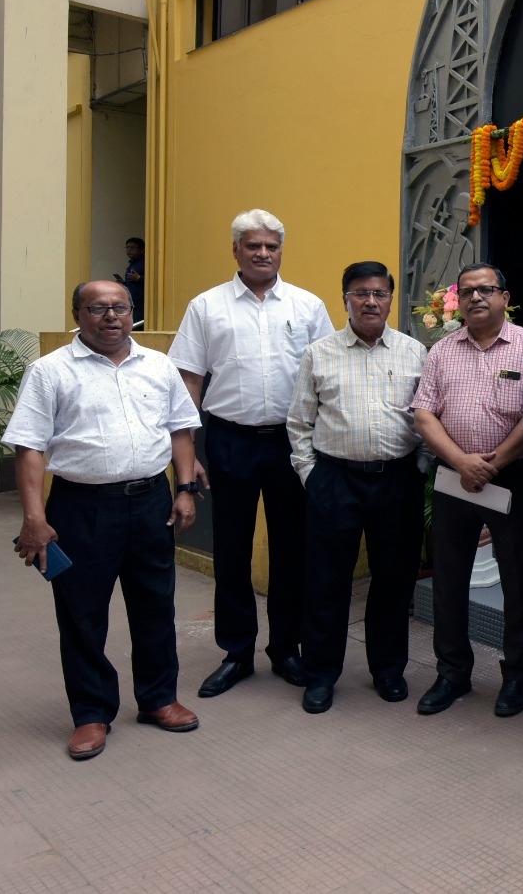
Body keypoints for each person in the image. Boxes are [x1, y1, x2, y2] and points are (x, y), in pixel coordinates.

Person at [5, 281, 205, 760]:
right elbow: (29, 447)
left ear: (132, 312)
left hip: (151, 502)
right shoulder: (49, 371)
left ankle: (158, 698)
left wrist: (185, 489)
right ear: (78, 313)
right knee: (82, 613)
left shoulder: (158, 366)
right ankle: (91, 712)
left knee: (155, 605)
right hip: (82, 507)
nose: (111, 316)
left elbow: (180, 429)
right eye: (98, 308)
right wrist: (34, 518)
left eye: (120, 307)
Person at [169, 209, 334, 698]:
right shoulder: (206, 306)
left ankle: (285, 648)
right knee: (232, 550)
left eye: (271, 246)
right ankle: (237, 652)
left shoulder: (307, 305)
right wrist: (188, 452)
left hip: (292, 443)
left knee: (291, 550)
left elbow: (328, 375)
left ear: (281, 251)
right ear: (236, 250)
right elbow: (188, 382)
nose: (263, 253)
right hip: (229, 441)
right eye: (253, 245)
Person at [286, 261, 427, 713]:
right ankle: (320, 674)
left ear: (390, 299)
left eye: (379, 293)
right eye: (361, 293)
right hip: (335, 480)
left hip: (398, 481)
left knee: (394, 579)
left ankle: (388, 669)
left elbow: (428, 417)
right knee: (326, 581)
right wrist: (312, 476)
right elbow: (299, 422)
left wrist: (420, 467)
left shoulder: (414, 352)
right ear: (345, 299)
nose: (370, 302)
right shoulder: (319, 353)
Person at [412, 263, 523, 718]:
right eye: (467, 291)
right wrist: (461, 462)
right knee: (448, 579)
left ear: (505, 297)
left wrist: (493, 464)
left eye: (486, 289)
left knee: (519, 582)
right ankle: (452, 673)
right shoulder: (442, 350)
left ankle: (518, 676)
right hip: (454, 477)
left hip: (513, 478)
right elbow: (424, 414)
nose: (476, 297)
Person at [122, 237, 146, 324]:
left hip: (142, 302)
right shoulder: (132, 264)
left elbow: (153, 281)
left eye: (132, 248)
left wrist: (139, 278)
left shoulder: (146, 263)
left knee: (137, 324)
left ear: (142, 250)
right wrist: (123, 283)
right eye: (127, 248)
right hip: (132, 301)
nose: (129, 250)